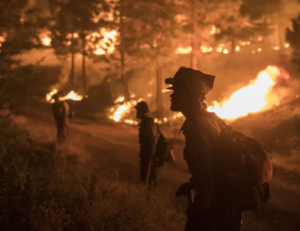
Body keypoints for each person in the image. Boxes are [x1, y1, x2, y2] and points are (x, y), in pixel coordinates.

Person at [166, 67, 242, 231]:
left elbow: (207, 170)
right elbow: (217, 163)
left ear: (192, 95)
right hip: (227, 203)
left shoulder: (196, 125)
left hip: (215, 207)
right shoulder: (214, 120)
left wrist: (204, 210)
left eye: (177, 91)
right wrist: (193, 184)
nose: (172, 95)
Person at [135, 101, 158, 188]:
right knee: (147, 176)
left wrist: (150, 156)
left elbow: (151, 139)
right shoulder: (145, 122)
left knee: (147, 177)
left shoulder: (147, 123)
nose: (137, 113)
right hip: (146, 153)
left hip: (148, 154)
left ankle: (149, 196)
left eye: (138, 110)